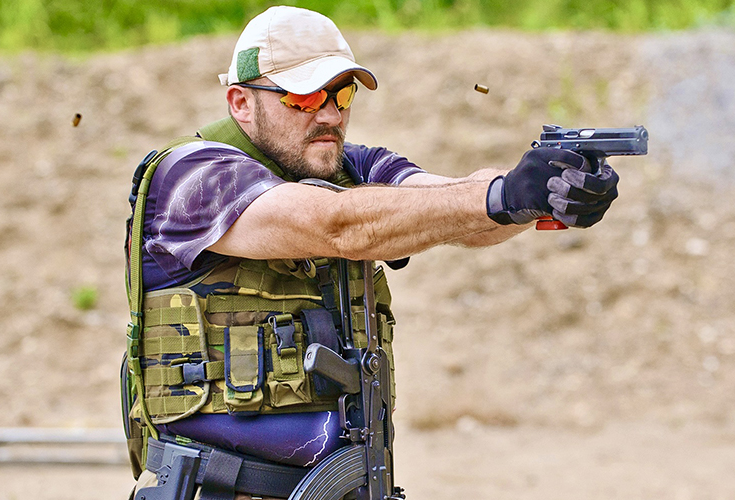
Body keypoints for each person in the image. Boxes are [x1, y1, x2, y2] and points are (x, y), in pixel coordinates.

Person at [124, 5, 618, 500]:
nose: (330, 114)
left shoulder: (348, 166)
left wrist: (534, 193)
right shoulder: (192, 176)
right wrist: (501, 197)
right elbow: (339, 226)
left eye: (342, 93)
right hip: (217, 489)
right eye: (304, 96)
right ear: (241, 103)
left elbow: (452, 199)